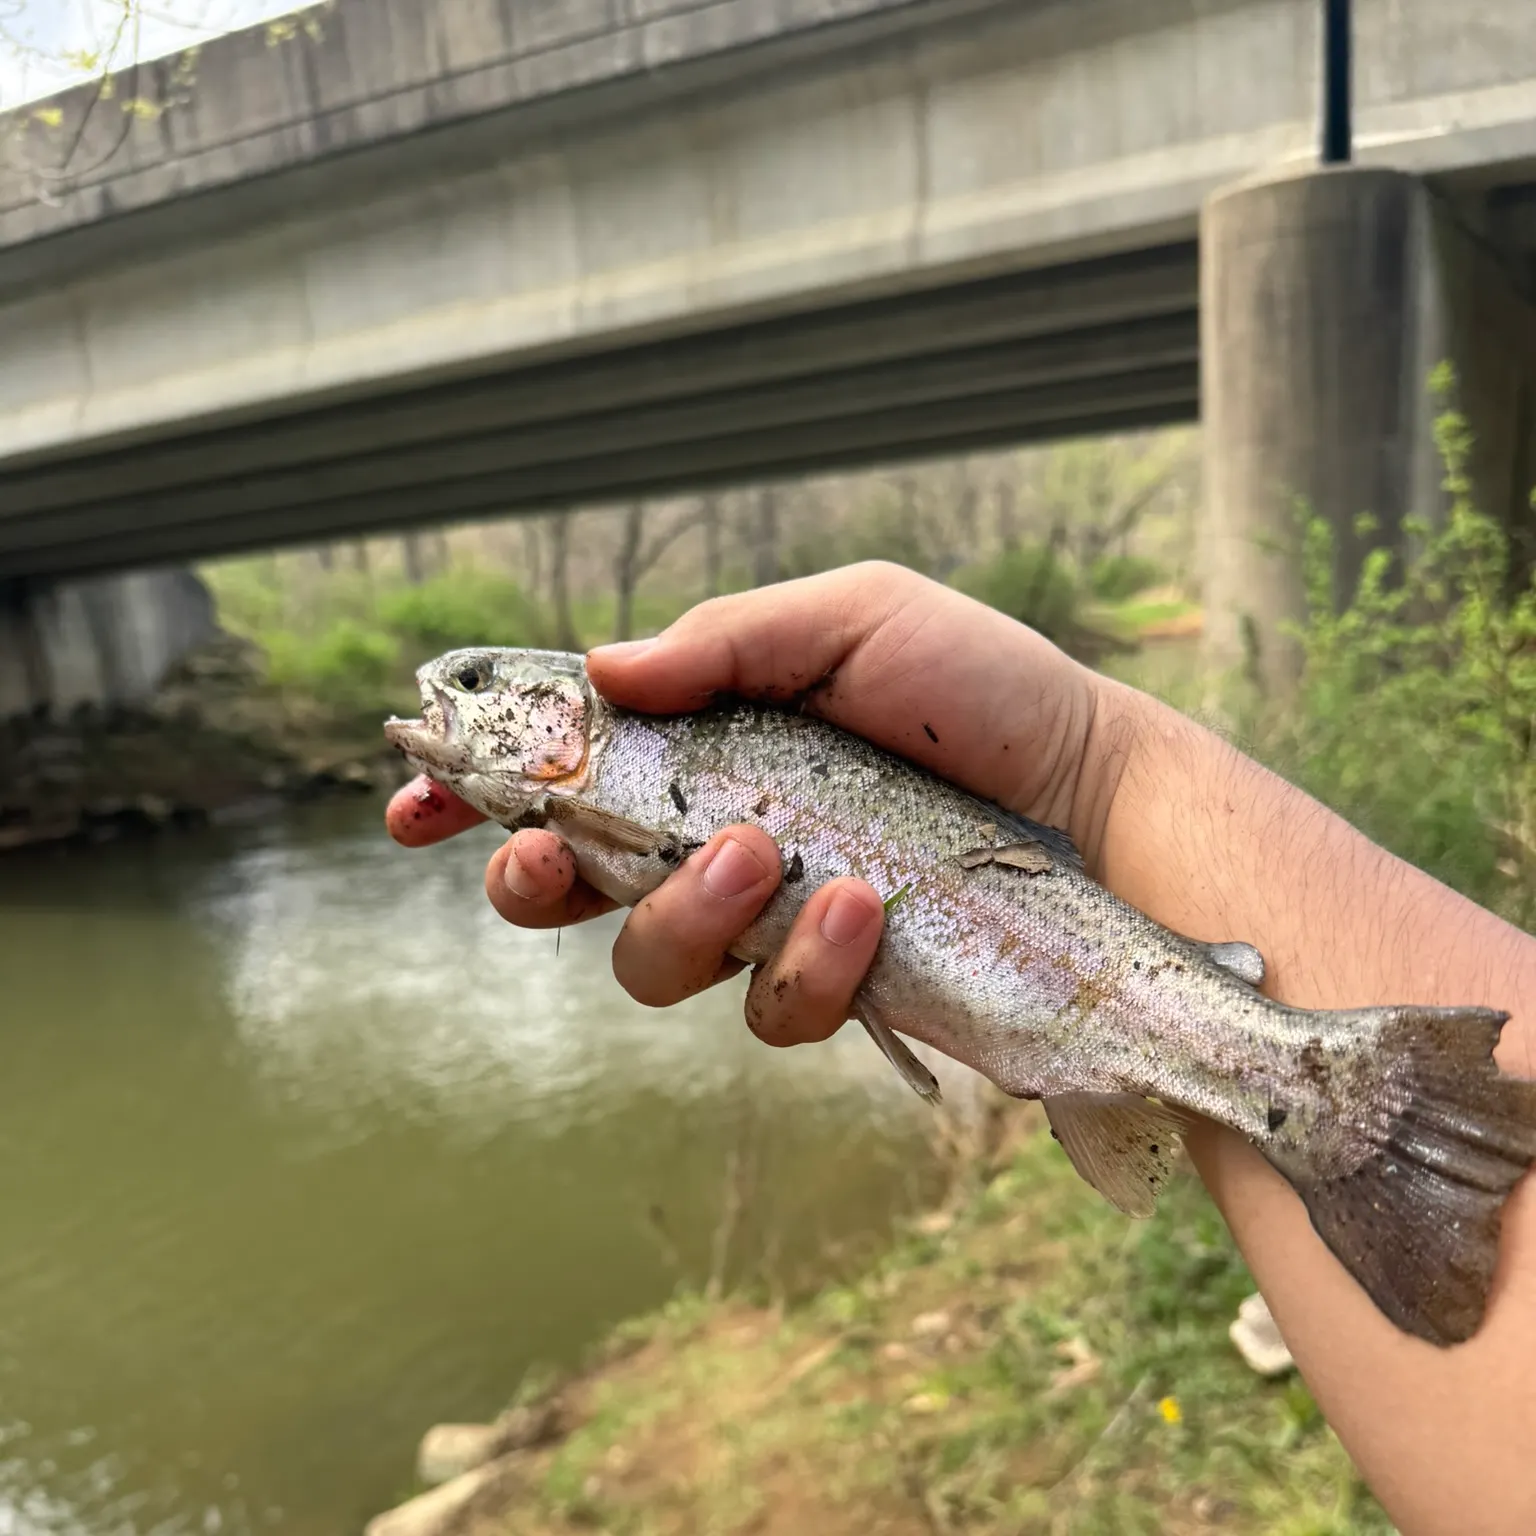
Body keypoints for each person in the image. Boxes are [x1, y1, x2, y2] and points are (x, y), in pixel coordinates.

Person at [387, 561, 1536, 1535]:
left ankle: (1293, 1083)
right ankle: (1267, 1076)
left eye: (484, 684)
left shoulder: (627, 727)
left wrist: (1087, 761)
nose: (457, 696)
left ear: (563, 715)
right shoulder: (573, 808)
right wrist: (1092, 759)